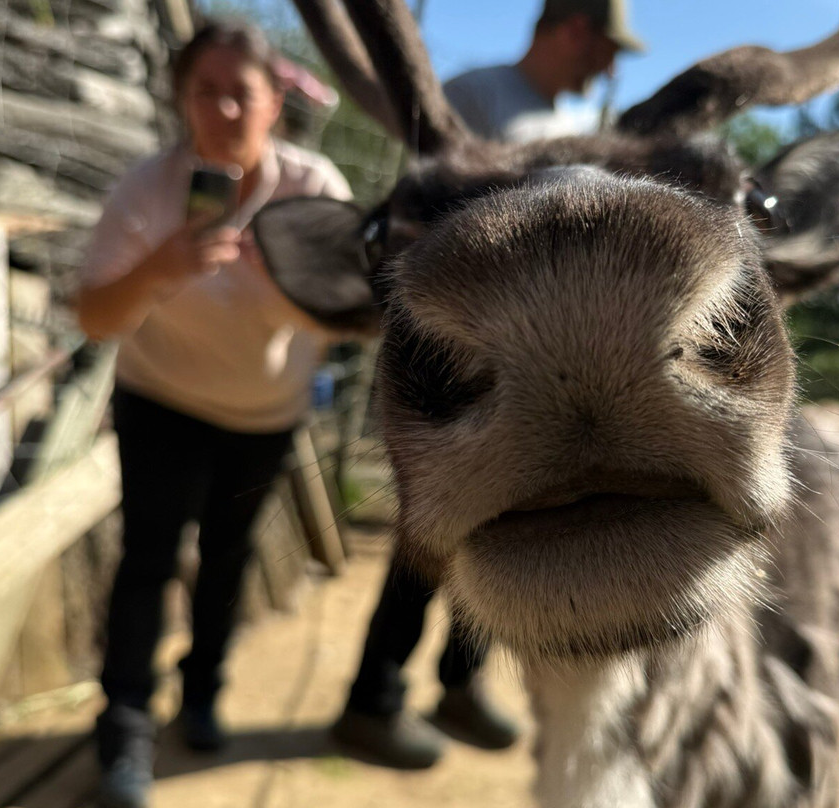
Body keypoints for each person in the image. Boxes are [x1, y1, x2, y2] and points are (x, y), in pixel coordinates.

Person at [331, 0, 645, 770]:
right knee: (425, 541)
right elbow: (424, 220)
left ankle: (459, 682)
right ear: (573, 28)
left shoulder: (561, 114)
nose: (610, 68)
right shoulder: (475, 98)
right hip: (458, 361)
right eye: (608, 50)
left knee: (506, 524)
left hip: (545, 361)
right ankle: (371, 700)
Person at [75, 20, 352, 808]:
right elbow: (94, 315)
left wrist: (291, 288)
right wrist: (161, 267)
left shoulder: (312, 187)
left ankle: (202, 695)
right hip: (161, 400)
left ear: (276, 103)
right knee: (148, 558)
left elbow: (357, 319)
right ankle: (124, 723)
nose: (225, 108)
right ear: (181, 100)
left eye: (243, 92)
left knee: (227, 559)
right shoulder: (148, 188)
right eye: (207, 91)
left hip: (266, 415)